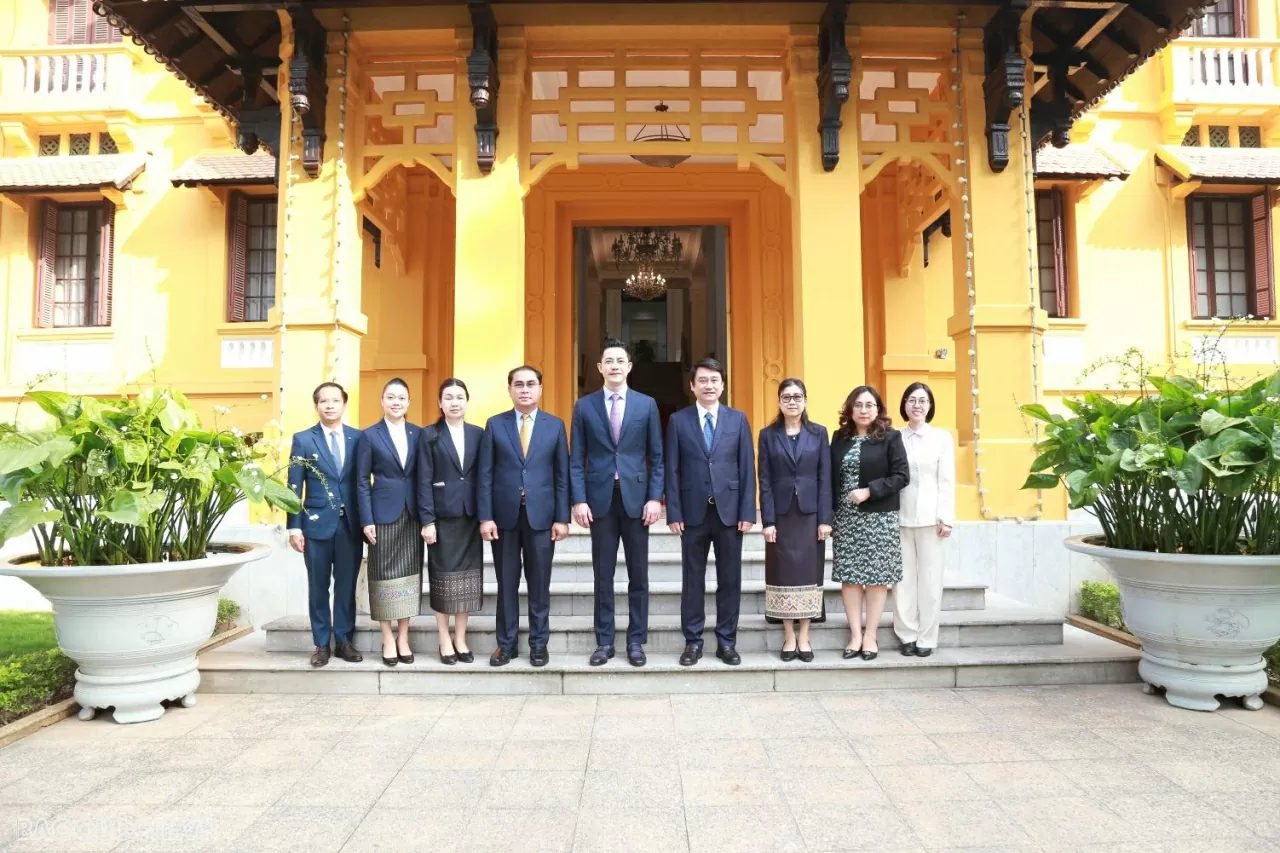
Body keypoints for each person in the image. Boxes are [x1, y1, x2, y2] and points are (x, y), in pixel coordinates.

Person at [570, 340, 664, 667]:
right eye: (608, 360)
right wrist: (578, 500)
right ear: (599, 367)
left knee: (638, 576)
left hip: (637, 501)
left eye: (620, 361)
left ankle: (636, 641)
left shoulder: (646, 405)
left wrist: (655, 497)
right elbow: (575, 459)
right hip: (599, 502)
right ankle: (605, 642)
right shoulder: (584, 407)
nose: (614, 366)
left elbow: (658, 456)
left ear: (629, 367)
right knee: (603, 575)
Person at [665, 358, 756, 667]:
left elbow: (747, 466)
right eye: (702, 380)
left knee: (730, 579)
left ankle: (726, 642)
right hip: (692, 513)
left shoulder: (738, 420)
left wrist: (748, 510)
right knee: (693, 580)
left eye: (714, 380)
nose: (708, 385)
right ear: (692, 386)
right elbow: (672, 469)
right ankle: (692, 641)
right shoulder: (679, 421)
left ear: (722, 385)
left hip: (730, 513)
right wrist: (673, 512)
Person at [478, 365, 570, 668]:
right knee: (506, 584)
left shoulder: (555, 426)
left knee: (539, 584)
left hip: (542, 518)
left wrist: (562, 517)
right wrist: (485, 517)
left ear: (540, 389)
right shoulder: (495, 424)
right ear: (510, 390)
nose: (525, 389)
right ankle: (505, 645)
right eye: (519, 384)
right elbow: (486, 475)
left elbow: (561, 476)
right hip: (503, 518)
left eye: (531, 384)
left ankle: (538, 644)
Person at [285, 382, 364, 668]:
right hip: (315, 526)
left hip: (350, 526)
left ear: (344, 404)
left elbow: (362, 483)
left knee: (346, 585)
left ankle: (344, 640)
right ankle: (321, 644)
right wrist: (294, 527)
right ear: (316, 405)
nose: (329, 406)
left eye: (335, 401)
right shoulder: (304, 439)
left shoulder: (359, 438)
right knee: (318, 586)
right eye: (323, 401)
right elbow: (293, 485)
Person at [830, 385, 908, 661]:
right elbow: (829, 477)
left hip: (878, 518)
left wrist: (869, 490)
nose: (864, 410)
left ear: (878, 410)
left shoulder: (890, 438)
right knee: (850, 580)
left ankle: (871, 636)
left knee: (876, 580)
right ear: (850, 409)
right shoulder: (839, 438)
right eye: (859, 405)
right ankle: (854, 635)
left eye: (870, 405)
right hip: (847, 519)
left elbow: (901, 476)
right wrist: (829, 515)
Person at [758, 379, 832, 663]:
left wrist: (825, 519)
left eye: (797, 396)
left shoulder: (818, 433)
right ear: (778, 401)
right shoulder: (767, 435)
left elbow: (825, 478)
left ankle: (805, 635)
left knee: (809, 574)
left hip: (811, 515)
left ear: (805, 401)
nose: (792, 401)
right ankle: (788, 635)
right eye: (786, 397)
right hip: (780, 516)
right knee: (782, 574)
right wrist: (767, 521)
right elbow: (763, 479)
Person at [354, 377, 424, 667]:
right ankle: (386, 637)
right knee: (382, 576)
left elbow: (424, 476)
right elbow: (361, 480)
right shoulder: (369, 436)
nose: (397, 403)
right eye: (391, 397)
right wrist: (366, 519)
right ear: (382, 401)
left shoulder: (419, 434)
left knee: (409, 576)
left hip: (413, 514)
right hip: (382, 515)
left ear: (409, 402)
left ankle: (403, 637)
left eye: (402, 398)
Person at [417, 378, 484, 665]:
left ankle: (460, 638)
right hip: (441, 519)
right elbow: (422, 479)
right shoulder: (429, 435)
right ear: (440, 403)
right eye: (449, 397)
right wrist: (427, 520)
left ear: (467, 401)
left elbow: (485, 476)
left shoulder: (479, 434)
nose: (454, 402)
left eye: (459, 397)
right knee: (443, 580)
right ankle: (443, 638)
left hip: (471, 517)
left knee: (467, 581)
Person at [895, 382, 955, 657]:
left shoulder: (942, 438)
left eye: (922, 400)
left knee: (930, 581)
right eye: (911, 400)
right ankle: (906, 633)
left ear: (930, 406)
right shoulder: (895, 437)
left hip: (933, 519)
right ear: (904, 404)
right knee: (903, 580)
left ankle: (927, 637)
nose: (917, 405)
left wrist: (946, 518)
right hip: (899, 516)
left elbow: (947, 480)